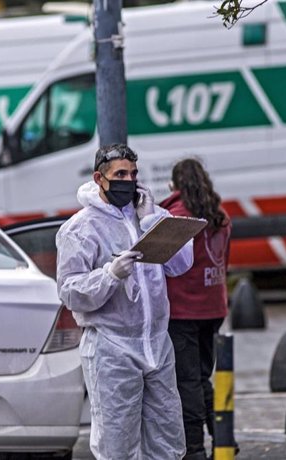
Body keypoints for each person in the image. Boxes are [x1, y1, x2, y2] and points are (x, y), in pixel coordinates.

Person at [55, 143, 194, 459]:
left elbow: (180, 264)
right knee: (117, 446)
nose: (128, 181)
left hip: (156, 344)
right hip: (111, 347)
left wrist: (150, 223)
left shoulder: (151, 214)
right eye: (120, 174)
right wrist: (109, 274)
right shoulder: (81, 228)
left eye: (133, 174)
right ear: (99, 178)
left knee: (169, 442)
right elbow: (70, 291)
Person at [159, 158, 233, 460]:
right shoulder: (221, 216)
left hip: (183, 311)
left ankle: (195, 448)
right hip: (213, 307)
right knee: (202, 378)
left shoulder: (177, 217)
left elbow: (160, 265)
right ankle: (223, 437)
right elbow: (225, 262)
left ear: (174, 185)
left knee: (187, 382)